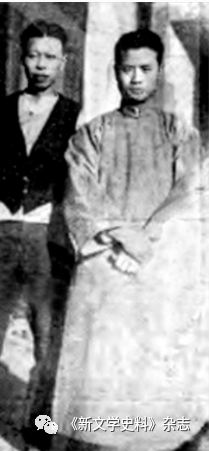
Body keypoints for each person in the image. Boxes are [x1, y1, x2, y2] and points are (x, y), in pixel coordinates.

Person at [51, 29, 209, 451]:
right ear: (115, 72)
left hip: (156, 265)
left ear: (160, 71)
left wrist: (146, 241)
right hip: (105, 262)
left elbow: (188, 191)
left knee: (150, 367)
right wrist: (124, 238)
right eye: (127, 69)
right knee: (100, 367)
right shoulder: (91, 134)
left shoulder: (180, 133)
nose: (136, 78)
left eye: (145, 69)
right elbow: (80, 194)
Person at [0, 20, 80, 451]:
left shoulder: (76, 115)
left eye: (50, 57)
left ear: (63, 62)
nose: (41, 65)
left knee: (49, 343)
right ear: (22, 59)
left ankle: (40, 433)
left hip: (47, 239)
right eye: (33, 56)